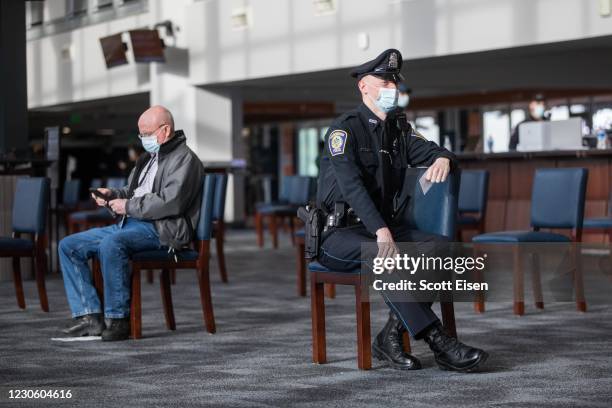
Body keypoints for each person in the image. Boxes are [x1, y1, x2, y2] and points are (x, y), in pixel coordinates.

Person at [316, 49, 488, 372]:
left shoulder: (399, 130)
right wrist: (382, 233)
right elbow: (352, 187)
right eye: (383, 80)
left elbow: (437, 150)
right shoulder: (344, 131)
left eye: (394, 80)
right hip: (339, 234)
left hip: (381, 228)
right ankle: (439, 341)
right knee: (384, 256)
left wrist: (443, 158)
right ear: (364, 86)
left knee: (440, 248)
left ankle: (390, 336)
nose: (391, 86)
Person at [59, 105, 205, 341]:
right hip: (132, 224)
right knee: (69, 245)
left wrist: (127, 206)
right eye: (141, 134)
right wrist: (113, 194)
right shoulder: (148, 158)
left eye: (146, 133)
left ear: (165, 130)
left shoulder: (184, 159)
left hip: (162, 229)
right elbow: (132, 191)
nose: (142, 139)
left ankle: (118, 319)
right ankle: (89, 317)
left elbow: (171, 202)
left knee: (111, 244)